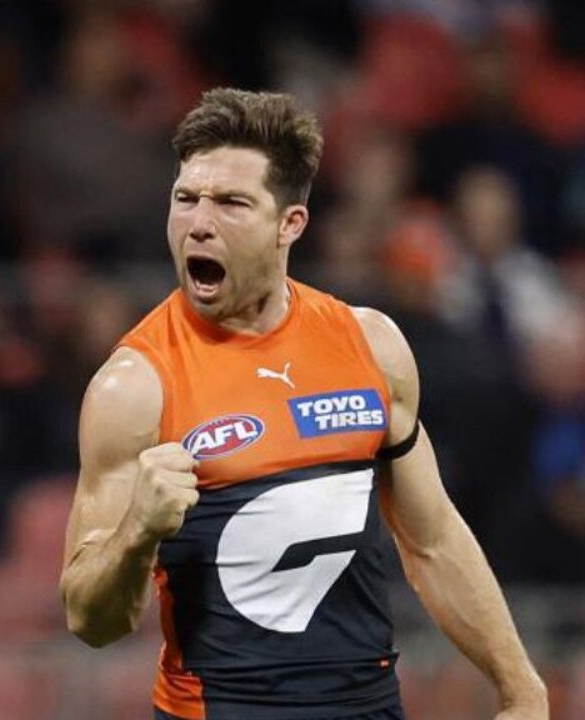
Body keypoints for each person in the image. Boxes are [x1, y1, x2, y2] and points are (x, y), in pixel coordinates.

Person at [59, 88, 547, 720]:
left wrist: (520, 687)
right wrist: (136, 533)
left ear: (290, 223)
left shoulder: (370, 346)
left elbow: (432, 540)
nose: (198, 223)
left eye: (231, 203)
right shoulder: (136, 386)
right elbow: (90, 621)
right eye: (185, 199)